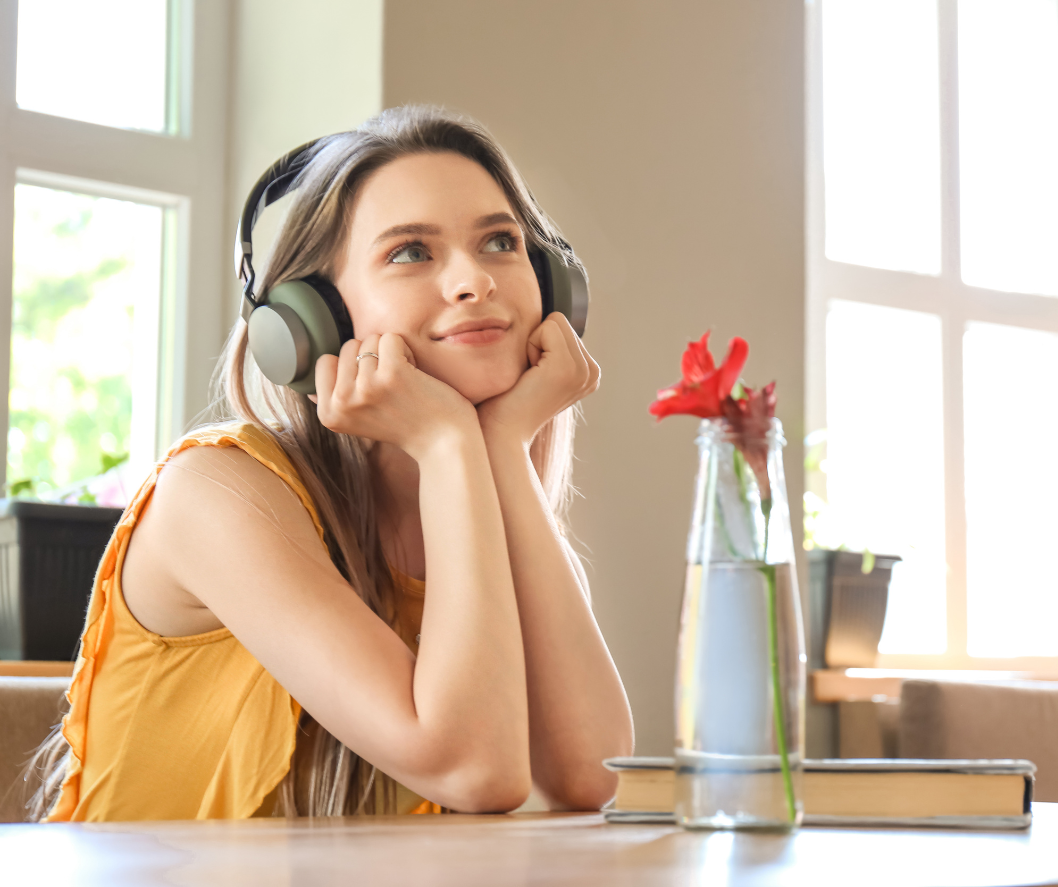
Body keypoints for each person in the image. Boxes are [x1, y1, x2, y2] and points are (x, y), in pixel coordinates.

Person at [26, 105, 634, 821]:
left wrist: (496, 448)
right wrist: (446, 442)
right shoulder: (214, 493)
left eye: (501, 241)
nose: (475, 281)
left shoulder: (486, 511)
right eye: (411, 251)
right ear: (314, 321)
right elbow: (476, 770)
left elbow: (589, 775)